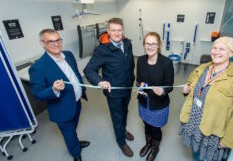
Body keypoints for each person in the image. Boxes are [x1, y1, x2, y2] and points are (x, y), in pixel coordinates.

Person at [179, 36, 233, 161]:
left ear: (231, 53)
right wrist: (186, 90)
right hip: (194, 123)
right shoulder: (201, 69)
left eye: (222, 49)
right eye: (214, 48)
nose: (216, 52)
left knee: (208, 157)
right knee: (196, 153)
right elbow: (190, 85)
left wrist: (228, 139)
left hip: (212, 132)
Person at [29, 29, 90, 161]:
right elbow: (37, 94)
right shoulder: (38, 67)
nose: (56, 44)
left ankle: (75, 142)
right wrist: (54, 89)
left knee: (73, 128)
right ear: (42, 43)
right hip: (61, 108)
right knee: (68, 133)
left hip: (76, 101)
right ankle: (75, 153)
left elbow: (76, 74)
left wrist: (81, 89)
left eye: (58, 40)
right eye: (51, 41)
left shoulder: (68, 54)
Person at [83, 18, 135, 157]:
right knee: (117, 117)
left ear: (123, 30)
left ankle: (123, 130)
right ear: (108, 31)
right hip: (114, 93)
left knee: (125, 111)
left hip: (127, 88)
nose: (117, 33)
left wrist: (132, 79)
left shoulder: (128, 43)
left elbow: (130, 64)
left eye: (119, 30)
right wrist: (99, 81)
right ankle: (121, 142)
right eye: (113, 30)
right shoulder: (102, 50)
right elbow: (89, 70)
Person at [136, 32, 174, 161]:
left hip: (158, 104)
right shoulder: (140, 60)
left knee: (156, 127)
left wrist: (163, 91)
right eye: (147, 43)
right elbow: (139, 80)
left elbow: (170, 85)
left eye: (153, 44)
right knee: (146, 124)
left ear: (159, 45)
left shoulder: (167, 63)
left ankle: (155, 148)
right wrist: (140, 87)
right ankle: (148, 143)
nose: (150, 46)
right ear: (144, 45)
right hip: (144, 101)